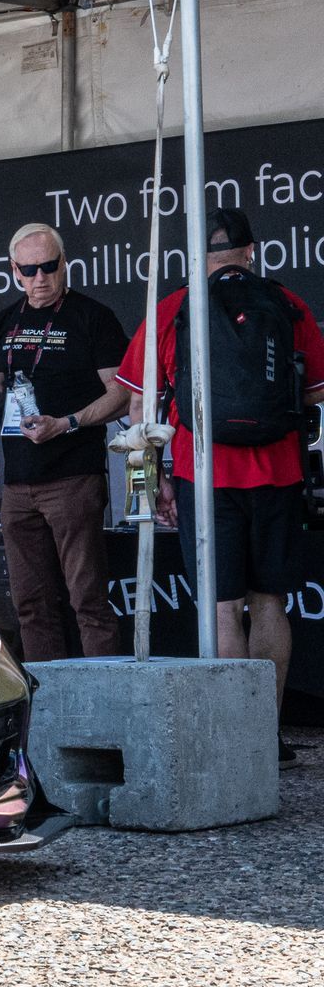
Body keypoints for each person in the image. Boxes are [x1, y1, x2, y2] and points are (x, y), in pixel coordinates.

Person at [118, 207, 324, 768]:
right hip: (278, 473)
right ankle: (266, 733)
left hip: (202, 475)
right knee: (270, 603)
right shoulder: (288, 304)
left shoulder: (171, 310)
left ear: (199, 258)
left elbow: (141, 408)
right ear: (252, 253)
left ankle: (233, 734)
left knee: (221, 606)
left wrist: (152, 482)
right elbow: (312, 395)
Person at [0, 223, 130, 661]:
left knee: (88, 601)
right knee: (30, 605)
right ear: (14, 271)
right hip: (18, 483)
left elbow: (123, 393)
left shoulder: (92, 317)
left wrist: (68, 422)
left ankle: (104, 706)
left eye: (49, 267)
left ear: (65, 265)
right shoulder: (7, 319)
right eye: (30, 270)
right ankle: (49, 710)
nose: (40, 278)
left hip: (73, 476)